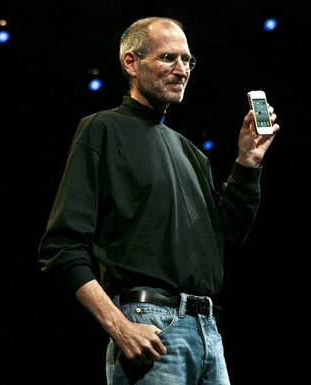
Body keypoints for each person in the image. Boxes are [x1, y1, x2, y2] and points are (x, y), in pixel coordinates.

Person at [37, 16, 280, 385]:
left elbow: (224, 239)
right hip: (150, 328)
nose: (182, 69)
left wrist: (247, 164)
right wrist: (120, 326)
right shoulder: (102, 128)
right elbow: (60, 247)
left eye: (188, 60)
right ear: (131, 63)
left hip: (208, 332)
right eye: (168, 58)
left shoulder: (192, 153)